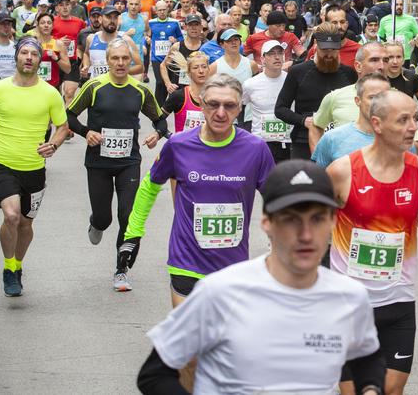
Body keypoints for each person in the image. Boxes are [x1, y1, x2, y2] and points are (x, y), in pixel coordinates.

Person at [136, 160, 385, 395]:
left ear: (333, 221)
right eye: (291, 220)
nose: (306, 235)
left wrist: (371, 389)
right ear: (267, 222)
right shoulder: (220, 292)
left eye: (317, 219)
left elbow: (367, 356)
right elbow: (154, 375)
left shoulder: (349, 297)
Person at [327, 89, 418, 395]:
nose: (413, 127)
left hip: (398, 305)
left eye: (414, 118)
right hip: (347, 305)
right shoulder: (342, 172)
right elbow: (315, 231)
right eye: (402, 120)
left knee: (389, 390)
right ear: (377, 124)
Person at [120, 74, 275, 307]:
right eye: (213, 104)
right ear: (201, 104)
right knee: (188, 339)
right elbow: (150, 186)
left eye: (229, 106)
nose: (221, 112)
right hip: (186, 260)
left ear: (240, 108)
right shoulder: (179, 145)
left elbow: (277, 198)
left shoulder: (255, 149)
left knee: (223, 340)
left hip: (233, 265)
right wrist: (133, 233)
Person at [66, 38, 168, 292]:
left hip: (128, 162)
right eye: (115, 58)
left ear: (130, 60)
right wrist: (86, 132)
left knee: (128, 216)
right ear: (107, 61)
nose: (121, 63)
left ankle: (121, 269)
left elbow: (160, 119)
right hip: (98, 162)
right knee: (105, 218)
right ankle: (97, 222)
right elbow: (68, 115)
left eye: (125, 58)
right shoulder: (94, 86)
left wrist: (157, 134)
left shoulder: (140, 90)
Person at [0, 37, 69, 297]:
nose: (28, 57)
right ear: (16, 57)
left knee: (26, 224)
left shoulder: (49, 93)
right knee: (11, 215)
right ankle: (8, 268)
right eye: (23, 53)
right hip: (3, 163)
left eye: (33, 54)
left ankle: (18, 265)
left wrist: (54, 145)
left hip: (35, 167)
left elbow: (62, 127)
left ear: (40, 60)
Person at [275, 26, 358, 158]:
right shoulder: (298, 72)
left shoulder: (349, 73)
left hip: (341, 142)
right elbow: (280, 109)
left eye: (333, 50)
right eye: (324, 49)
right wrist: (304, 120)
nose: (329, 55)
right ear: (315, 45)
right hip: (304, 141)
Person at [311, 74, 393, 168]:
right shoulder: (332, 139)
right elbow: (320, 179)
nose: (379, 102)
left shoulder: (401, 139)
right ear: (358, 101)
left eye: (384, 97)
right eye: (372, 97)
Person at [312, 41, 387, 137]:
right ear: (358, 66)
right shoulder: (336, 97)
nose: (381, 66)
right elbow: (316, 127)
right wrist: (319, 152)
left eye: (385, 60)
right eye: (374, 60)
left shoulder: (399, 100)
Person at [242, 40, 291, 161]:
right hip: (260, 142)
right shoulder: (250, 84)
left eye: (279, 53)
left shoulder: (292, 81)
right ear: (263, 59)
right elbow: (239, 107)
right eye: (271, 53)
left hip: (287, 141)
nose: (277, 57)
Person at [209, 29, 258, 124]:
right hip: (224, 114)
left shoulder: (251, 64)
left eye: (236, 39)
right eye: (229, 41)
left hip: (247, 114)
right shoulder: (215, 67)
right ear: (222, 44)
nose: (233, 43)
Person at [82, 5, 144, 80]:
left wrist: (121, 71)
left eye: (115, 17)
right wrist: (86, 66)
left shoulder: (126, 40)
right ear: (100, 19)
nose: (112, 20)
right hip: (96, 87)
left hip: (118, 88)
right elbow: (86, 54)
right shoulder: (91, 39)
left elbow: (140, 67)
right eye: (108, 17)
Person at [147, 0, 184, 105]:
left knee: (172, 84)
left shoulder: (174, 22)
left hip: (172, 58)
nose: (162, 12)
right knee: (160, 83)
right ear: (156, 11)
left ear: (168, 10)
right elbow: (147, 36)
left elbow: (181, 38)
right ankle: (157, 108)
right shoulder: (151, 23)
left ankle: (170, 106)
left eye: (164, 10)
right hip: (157, 59)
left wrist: (176, 40)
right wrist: (147, 39)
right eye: (160, 10)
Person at [51, 0, 85, 105]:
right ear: (57, 8)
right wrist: (58, 42)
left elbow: (83, 41)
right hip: (56, 61)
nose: (65, 7)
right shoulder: (51, 22)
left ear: (71, 7)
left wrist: (81, 58)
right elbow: (44, 40)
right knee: (55, 94)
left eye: (67, 4)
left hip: (72, 62)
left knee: (70, 93)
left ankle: (68, 121)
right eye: (61, 5)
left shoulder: (79, 22)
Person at [160, 13, 204, 93]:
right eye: (190, 25)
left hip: (199, 91)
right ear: (185, 27)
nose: (193, 28)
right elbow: (163, 65)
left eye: (196, 24)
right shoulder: (177, 47)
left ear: (201, 27)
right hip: (179, 91)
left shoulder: (205, 47)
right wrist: (168, 84)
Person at [31, 13, 70, 90]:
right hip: (33, 86)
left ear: (52, 26)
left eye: (49, 23)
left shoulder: (58, 44)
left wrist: (56, 58)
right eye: (42, 23)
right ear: (38, 26)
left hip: (52, 88)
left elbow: (68, 69)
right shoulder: (31, 43)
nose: (46, 25)